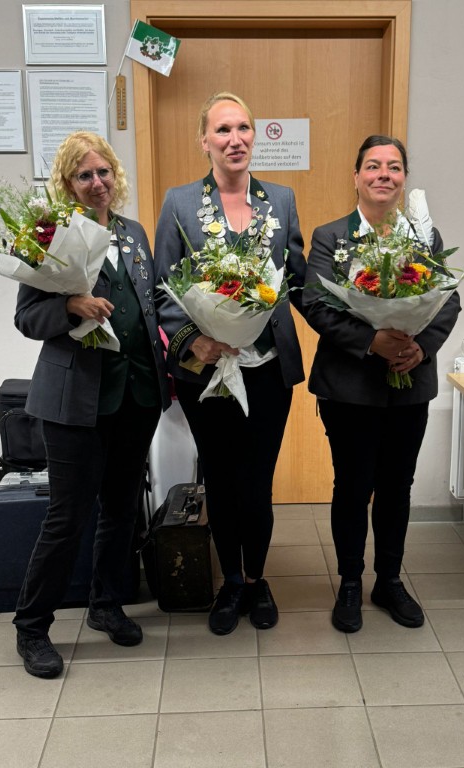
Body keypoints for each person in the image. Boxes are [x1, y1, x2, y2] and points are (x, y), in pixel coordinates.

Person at [13, 132, 171, 678]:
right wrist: (70, 307)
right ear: (68, 183)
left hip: (136, 395)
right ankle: (32, 627)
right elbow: (26, 317)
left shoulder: (132, 233)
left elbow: (148, 306)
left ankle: (106, 604)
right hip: (74, 403)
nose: (97, 182)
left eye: (104, 172)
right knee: (67, 517)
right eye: (85, 175)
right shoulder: (49, 235)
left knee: (121, 509)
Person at [154, 92, 306, 635]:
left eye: (243, 128)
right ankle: (232, 582)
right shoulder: (178, 203)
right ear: (205, 141)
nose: (235, 139)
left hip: (267, 368)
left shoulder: (281, 200)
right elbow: (163, 287)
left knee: (258, 480)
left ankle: (258, 579)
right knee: (220, 478)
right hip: (206, 372)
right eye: (223, 130)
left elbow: (298, 280)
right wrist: (193, 340)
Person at [303, 135, 461, 633]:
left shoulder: (425, 237)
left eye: (394, 167)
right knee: (352, 487)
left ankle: (388, 580)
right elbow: (315, 303)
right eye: (373, 166)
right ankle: (350, 582)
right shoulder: (331, 237)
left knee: (397, 487)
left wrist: (421, 347)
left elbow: (449, 299)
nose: (383, 175)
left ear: (404, 179)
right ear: (356, 176)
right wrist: (372, 341)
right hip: (349, 387)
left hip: (408, 383)